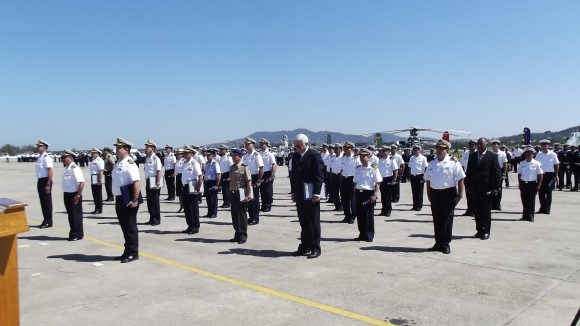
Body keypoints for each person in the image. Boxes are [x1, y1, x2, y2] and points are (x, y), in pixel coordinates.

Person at [425, 139, 465, 254]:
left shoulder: (454, 162)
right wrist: (429, 194)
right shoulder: (432, 163)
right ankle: (438, 243)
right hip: (435, 194)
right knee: (437, 219)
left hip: (448, 194)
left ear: (446, 150)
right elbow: (427, 180)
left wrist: (460, 195)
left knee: (447, 220)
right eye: (437, 148)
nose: (438, 150)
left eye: (441, 148)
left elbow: (460, 179)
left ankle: (445, 244)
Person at [290, 134, 325, 259]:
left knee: (313, 221)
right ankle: (305, 246)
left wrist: (317, 193)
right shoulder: (294, 156)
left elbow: (319, 175)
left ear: (306, 144)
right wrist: (293, 191)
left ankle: (315, 247)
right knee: (303, 221)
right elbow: (293, 175)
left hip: (311, 194)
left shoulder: (314, 155)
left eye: (299, 146)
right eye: (295, 146)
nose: (297, 148)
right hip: (300, 193)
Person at [464, 138, 502, 240]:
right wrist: (466, 185)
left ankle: (486, 231)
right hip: (475, 188)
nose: (479, 146)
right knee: (477, 211)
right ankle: (479, 230)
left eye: (481, 144)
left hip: (487, 189)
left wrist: (496, 188)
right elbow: (469, 171)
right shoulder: (472, 156)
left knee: (486, 212)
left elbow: (497, 173)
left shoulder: (492, 156)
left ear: (486, 145)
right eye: (478, 144)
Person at [111, 138, 141, 263]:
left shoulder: (130, 163)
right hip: (119, 198)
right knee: (124, 227)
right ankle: (127, 251)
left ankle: (133, 253)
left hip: (128, 199)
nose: (116, 150)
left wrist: (135, 199)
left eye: (119, 148)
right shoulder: (119, 163)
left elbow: (136, 182)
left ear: (126, 150)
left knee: (130, 226)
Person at [352, 148, 382, 242]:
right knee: (360, 216)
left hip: (368, 193)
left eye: (363, 156)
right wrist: (354, 194)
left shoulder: (373, 168)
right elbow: (355, 182)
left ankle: (369, 235)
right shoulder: (358, 169)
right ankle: (362, 234)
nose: (361, 158)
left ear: (369, 157)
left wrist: (375, 195)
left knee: (368, 216)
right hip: (359, 193)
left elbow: (377, 183)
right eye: (360, 156)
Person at [229, 148, 253, 244]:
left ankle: (243, 234)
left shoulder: (244, 167)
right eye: (232, 155)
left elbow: (249, 182)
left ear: (240, 156)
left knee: (241, 214)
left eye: (235, 156)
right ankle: (237, 233)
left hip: (241, 192)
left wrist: (248, 195)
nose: (233, 157)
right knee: (234, 214)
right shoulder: (232, 167)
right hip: (233, 192)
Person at [60, 150, 85, 240]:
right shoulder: (67, 168)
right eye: (62, 158)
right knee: (71, 215)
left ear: (70, 158)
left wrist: (78, 195)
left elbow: (81, 183)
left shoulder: (74, 168)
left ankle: (77, 234)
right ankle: (74, 232)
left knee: (75, 215)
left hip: (74, 195)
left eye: (64, 158)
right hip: (67, 194)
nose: (63, 159)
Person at [181, 146, 203, 234]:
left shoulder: (194, 163)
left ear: (190, 154)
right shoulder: (184, 163)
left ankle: (195, 227)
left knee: (193, 208)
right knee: (186, 208)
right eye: (184, 153)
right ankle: (190, 225)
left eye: (186, 153)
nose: (184, 155)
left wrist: (198, 187)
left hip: (193, 185)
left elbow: (200, 176)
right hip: (185, 186)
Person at [518, 146, 543, 222]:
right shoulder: (522, 163)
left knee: (531, 201)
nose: (528, 155)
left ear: (533, 155)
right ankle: (525, 216)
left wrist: (538, 185)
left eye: (530, 154)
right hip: (523, 184)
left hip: (532, 184)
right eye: (527, 154)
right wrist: (519, 183)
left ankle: (531, 216)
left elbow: (540, 175)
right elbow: (519, 174)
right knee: (524, 200)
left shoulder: (537, 163)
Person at [242, 137, 264, 225]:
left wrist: (259, 180)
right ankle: (251, 217)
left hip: (254, 177)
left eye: (248, 145)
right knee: (249, 198)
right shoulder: (245, 156)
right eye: (246, 145)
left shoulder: (256, 155)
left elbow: (261, 168)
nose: (247, 146)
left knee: (254, 199)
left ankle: (255, 217)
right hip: (247, 178)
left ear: (253, 145)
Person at [535, 139, 559, 214]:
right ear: (541, 146)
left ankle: (547, 209)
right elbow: (536, 165)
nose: (544, 146)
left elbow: (557, 164)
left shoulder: (553, 154)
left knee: (548, 192)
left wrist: (556, 175)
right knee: (541, 192)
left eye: (546, 145)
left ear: (548, 146)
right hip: (541, 175)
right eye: (543, 145)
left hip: (550, 175)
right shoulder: (538, 155)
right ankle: (542, 208)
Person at [339, 141, 360, 224]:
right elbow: (341, 170)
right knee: (344, 199)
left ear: (351, 149)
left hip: (352, 179)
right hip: (344, 179)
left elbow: (358, 171)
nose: (346, 150)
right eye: (345, 148)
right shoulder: (342, 159)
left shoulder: (355, 158)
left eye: (348, 148)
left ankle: (353, 216)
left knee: (352, 199)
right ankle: (347, 216)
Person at [35, 139, 54, 228]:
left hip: (46, 180)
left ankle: (48, 221)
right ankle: (45, 219)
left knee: (46, 202)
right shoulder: (40, 157)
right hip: (40, 180)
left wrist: (48, 184)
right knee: (43, 202)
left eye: (39, 146)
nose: (37, 148)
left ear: (44, 148)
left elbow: (50, 170)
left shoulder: (47, 157)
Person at [144, 140, 162, 226]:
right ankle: (151, 218)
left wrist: (158, 183)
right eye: (146, 147)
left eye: (148, 147)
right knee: (149, 201)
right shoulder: (147, 158)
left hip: (154, 180)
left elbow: (159, 171)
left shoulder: (156, 159)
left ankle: (156, 219)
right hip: (148, 180)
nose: (146, 148)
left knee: (155, 201)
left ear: (153, 148)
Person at [377, 145, 399, 217]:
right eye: (382, 151)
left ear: (388, 152)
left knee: (388, 196)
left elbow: (395, 170)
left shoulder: (391, 160)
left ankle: (388, 210)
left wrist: (394, 179)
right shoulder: (380, 160)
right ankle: (383, 210)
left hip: (388, 178)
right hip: (381, 179)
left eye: (385, 151)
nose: (383, 152)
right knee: (383, 196)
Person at [259, 138, 277, 212]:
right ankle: (263, 205)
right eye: (260, 144)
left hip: (268, 173)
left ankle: (268, 206)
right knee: (262, 191)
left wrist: (272, 175)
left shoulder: (270, 154)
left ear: (266, 144)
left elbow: (274, 165)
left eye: (262, 144)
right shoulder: (260, 154)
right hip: (261, 174)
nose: (260, 145)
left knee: (268, 191)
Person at [408, 145, 428, 211]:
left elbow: (426, 168)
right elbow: (410, 167)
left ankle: (419, 206)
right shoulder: (411, 158)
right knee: (414, 192)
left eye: (416, 150)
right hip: (413, 176)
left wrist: (425, 177)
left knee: (419, 192)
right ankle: (414, 205)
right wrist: (410, 176)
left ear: (419, 150)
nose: (415, 151)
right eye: (414, 150)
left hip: (420, 176)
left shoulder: (423, 158)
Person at [490, 139, 508, 210]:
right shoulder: (490, 153)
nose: (495, 145)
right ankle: (492, 204)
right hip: (491, 171)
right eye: (494, 144)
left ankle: (497, 204)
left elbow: (505, 164)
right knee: (491, 188)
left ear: (499, 145)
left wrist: (504, 173)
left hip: (499, 171)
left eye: (497, 144)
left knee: (498, 188)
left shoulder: (503, 154)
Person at [203, 150, 221, 218]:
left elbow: (219, 174)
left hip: (213, 182)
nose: (207, 157)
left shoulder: (215, 163)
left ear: (212, 156)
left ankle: (213, 213)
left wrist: (217, 185)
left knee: (213, 199)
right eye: (207, 155)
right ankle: (209, 212)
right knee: (208, 199)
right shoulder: (207, 163)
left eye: (209, 155)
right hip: (207, 182)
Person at [461, 140, 477, 217]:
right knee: (468, 192)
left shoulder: (477, 154)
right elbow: (462, 165)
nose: (471, 146)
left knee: (474, 193)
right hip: (467, 174)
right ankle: (469, 209)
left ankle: (475, 210)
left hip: (475, 175)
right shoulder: (465, 154)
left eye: (473, 144)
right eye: (470, 145)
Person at [89, 148, 104, 214]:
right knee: (94, 194)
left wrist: (100, 179)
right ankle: (96, 208)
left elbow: (101, 170)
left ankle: (99, 209)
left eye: (93, 153)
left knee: (98, 194)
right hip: (93, 176)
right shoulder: (93, 160)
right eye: (92, 153)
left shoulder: (99, 160)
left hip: (97, 177)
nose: (92, 154)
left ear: (97, 153)